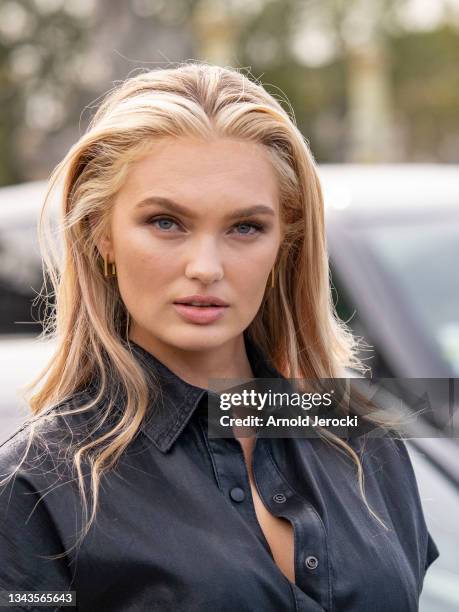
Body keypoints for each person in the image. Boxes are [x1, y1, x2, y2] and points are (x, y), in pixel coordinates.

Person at [0, 63, 438, 612]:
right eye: (166, 222)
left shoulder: (361, 437)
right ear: (99, 234)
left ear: (285, 242)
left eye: (245, 227)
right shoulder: (38, 485)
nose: (206, 267)